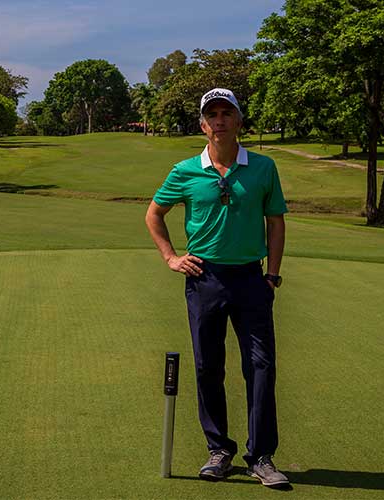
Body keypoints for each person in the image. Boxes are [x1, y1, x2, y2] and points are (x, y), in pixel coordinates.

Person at [144, 88, 290, 488]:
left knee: (261, 366)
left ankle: (261, 456)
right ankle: (219, 451)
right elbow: (154, 214)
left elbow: (275, 222)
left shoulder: (263, 168)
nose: (221, 120)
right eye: (213, 114)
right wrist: (172, 257)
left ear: (240, 121)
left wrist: (272, 274)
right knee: (208, 366)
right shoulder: (185, 171)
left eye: (228, 113)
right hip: (204, 278)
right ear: (203, 125)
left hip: (250, 278)